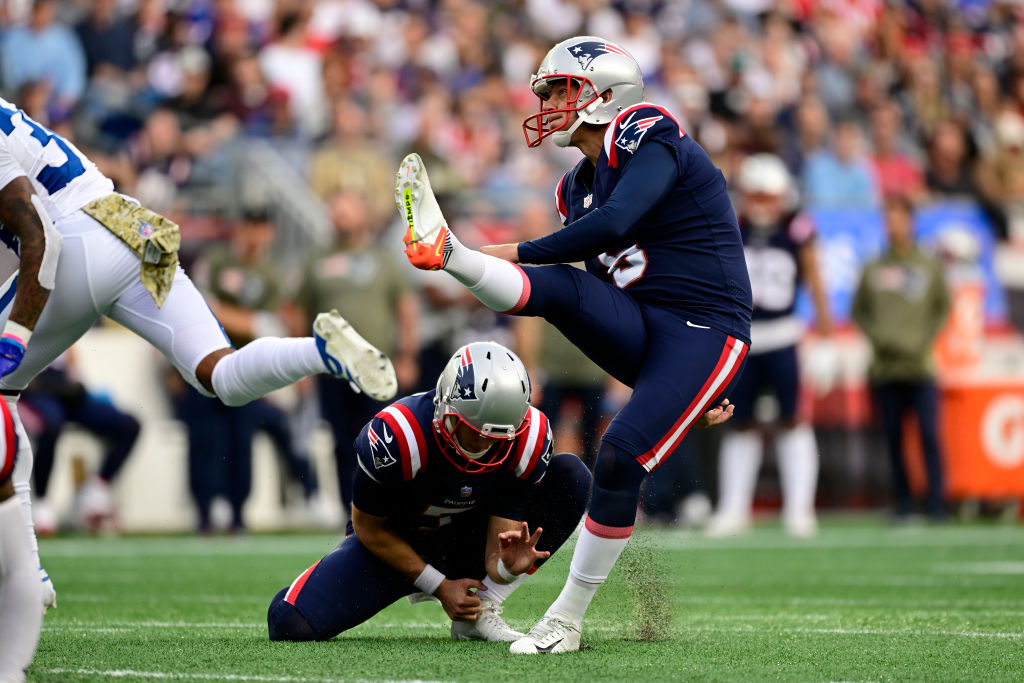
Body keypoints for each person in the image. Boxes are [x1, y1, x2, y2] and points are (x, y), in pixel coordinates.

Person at [0, 96, 396, 679]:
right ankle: (321, 352)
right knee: (220, 374)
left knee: (3, 394)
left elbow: (41, 244)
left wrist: (15, 337)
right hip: (134, 225)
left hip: (73, 240)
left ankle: (27, 570)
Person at [395, 36, 751, 653]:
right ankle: (449, 254)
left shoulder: (647, 128)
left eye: (561, 89)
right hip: (645, 326)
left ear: (604, 94)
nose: (551, 102)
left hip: (704, 328)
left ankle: (565, 617)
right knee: (558, 286)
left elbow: (615, 224)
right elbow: (578, 280)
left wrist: (500, 253)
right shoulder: (573, 189)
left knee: (616, 456)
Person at [267, 341, 592, 643]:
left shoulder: (529, 437)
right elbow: (367, 526)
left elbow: (497, 553)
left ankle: (480, 611)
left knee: (571, 476)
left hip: (467, 537)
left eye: (497, 437)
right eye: (472, 431)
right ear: (444, 404)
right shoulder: (400, 434)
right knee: (289, 622)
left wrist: (506, 568)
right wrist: (438, 585)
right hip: (397, 545)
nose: (483, 445)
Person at [707, 153, 834, 539]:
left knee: (792, 420)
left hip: (783, 334)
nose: (762, 204)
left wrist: (826, 337)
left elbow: (816, 280)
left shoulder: (798, 230)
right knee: (740, 422)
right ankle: (733, 508)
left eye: (768, 196)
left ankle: (799, 509)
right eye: (756, 195)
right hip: (742, 338)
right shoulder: (732, 226)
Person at [294, 189, 420, 513]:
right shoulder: (315, 261)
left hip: (377, 370)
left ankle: (383, 512)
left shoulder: (383, 260)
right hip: (332, 368)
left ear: (363, 215)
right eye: (336, 211)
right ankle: (346, 513)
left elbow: (406, 308)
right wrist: (301, 367)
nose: (341, 216)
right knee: (339, 441)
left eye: (348, 210)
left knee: (381, 442)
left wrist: (407, 355)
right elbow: (296, 311)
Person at [852, 197, 950, 521]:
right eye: (887, 218)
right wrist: (879, 337)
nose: (892, 225)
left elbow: (943, 307)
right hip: (884, 367)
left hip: (921, 365)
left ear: (911, 222)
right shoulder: (873, 267)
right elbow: (859, 311)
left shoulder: (928, 265)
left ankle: (937, 503)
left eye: (898, 218)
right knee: (892, 439)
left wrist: (924, 338)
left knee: (929, 436)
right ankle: (903, 503)